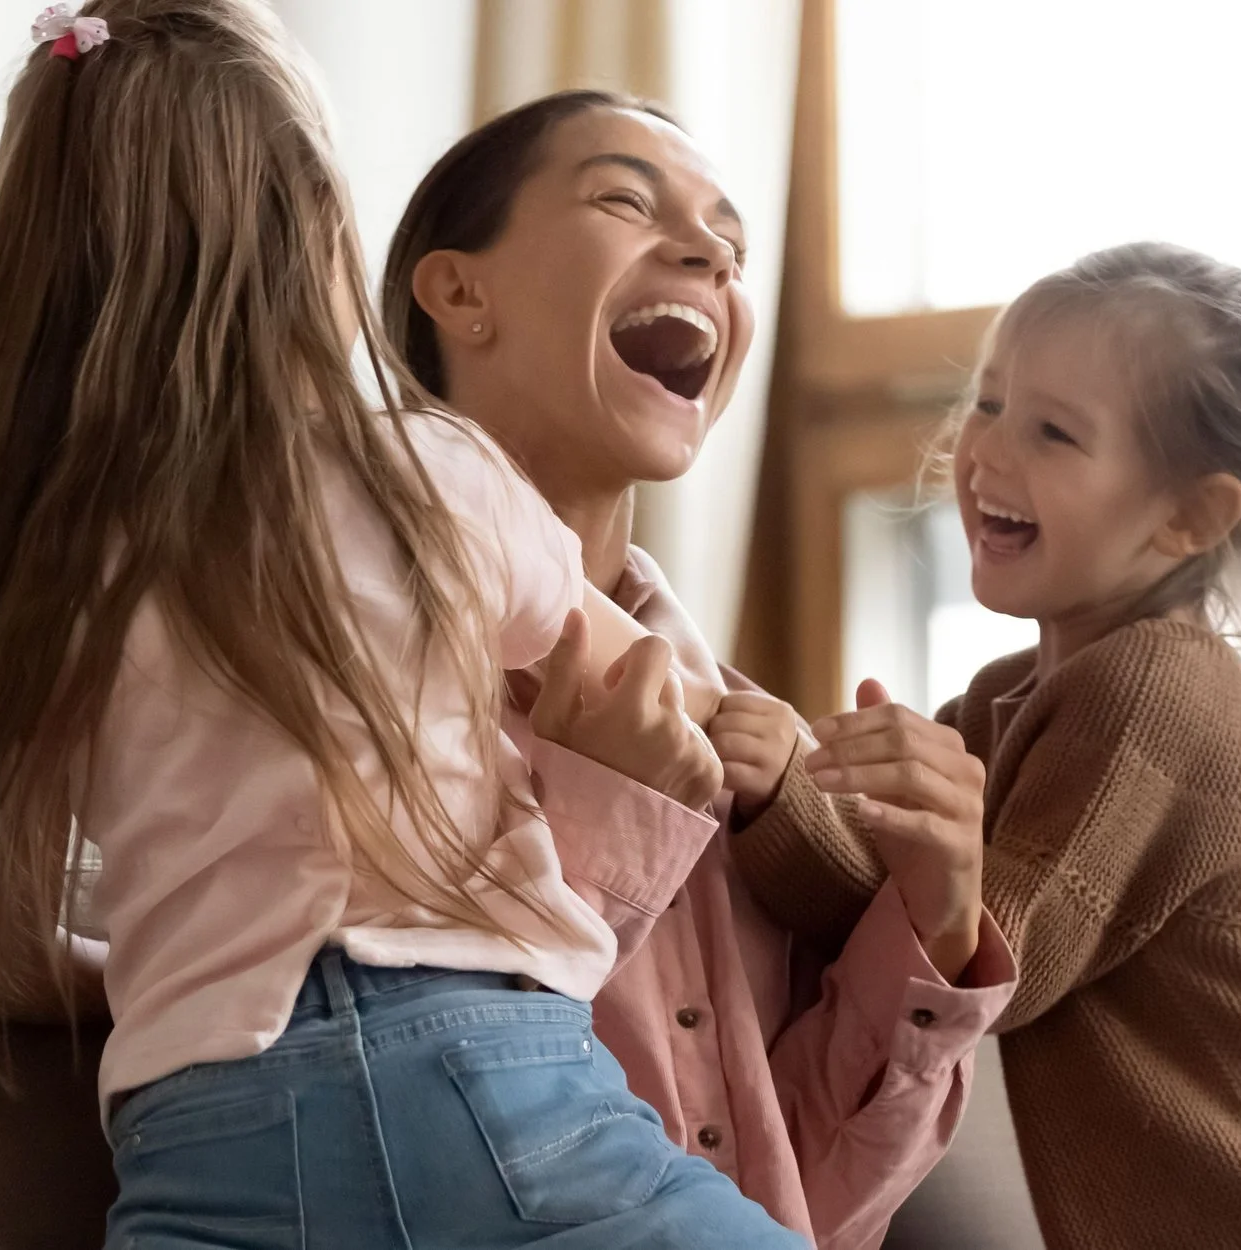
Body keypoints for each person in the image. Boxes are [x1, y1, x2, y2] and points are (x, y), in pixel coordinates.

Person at [0, 5, 800, 1245]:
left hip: (211, 1135)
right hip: (501, 1085)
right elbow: (636, 672)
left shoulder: (32, 555)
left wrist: (182, 979)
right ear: (320, 223)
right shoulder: (430, 472)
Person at [726, 242, 1241, 1249]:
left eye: (1054, 432)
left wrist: (782, 794)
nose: (987, 452)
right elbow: (890, 932)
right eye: (987, 403)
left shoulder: (1157, 688)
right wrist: (769, 790)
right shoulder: (1004, 702)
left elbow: (999, 964)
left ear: (1187, 515)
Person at [381, 90, 1018, 1250]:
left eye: (730, 246)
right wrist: (605, 809)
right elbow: (393, 1106)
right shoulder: (345, 675)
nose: (709, 256)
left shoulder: (749, 744)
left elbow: (800, 1204)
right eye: (626, 199)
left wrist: (931, 917)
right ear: (459, 291)